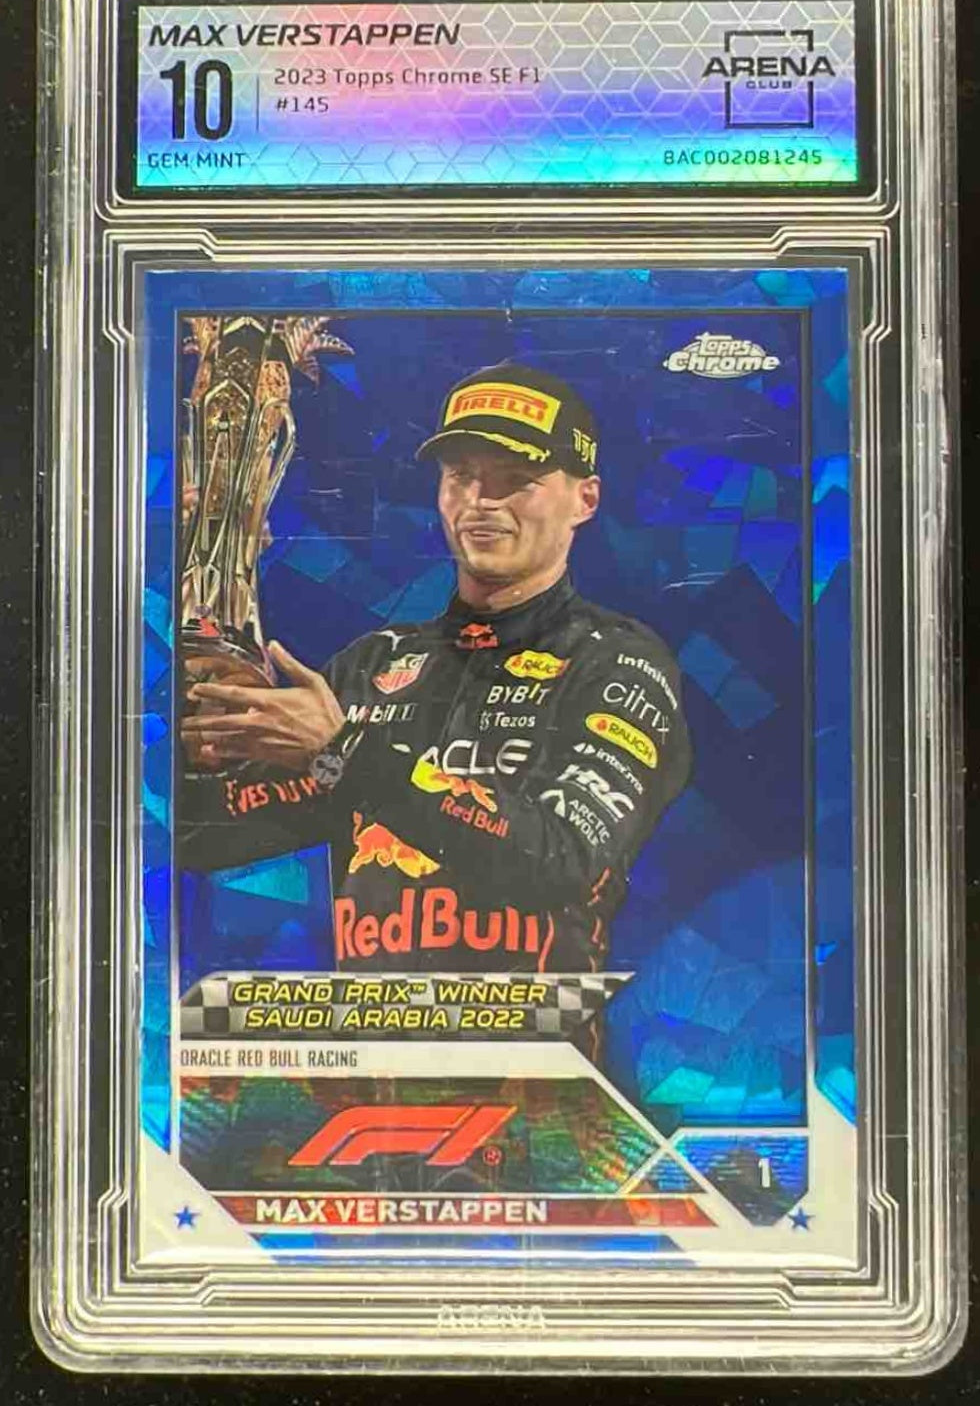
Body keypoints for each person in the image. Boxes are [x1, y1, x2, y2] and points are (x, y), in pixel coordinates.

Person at [179, 360, 692, 973]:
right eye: (461, 476)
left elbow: (564, 860)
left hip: (534, 1030)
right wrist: (198, 701)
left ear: (586, 499)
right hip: (371, 1031)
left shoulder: (617, 662)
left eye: (517, 479)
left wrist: (342, 754)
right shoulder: (373, 665)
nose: (481, 501)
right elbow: (202, 838)